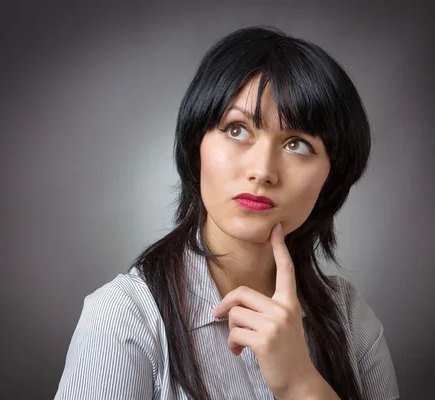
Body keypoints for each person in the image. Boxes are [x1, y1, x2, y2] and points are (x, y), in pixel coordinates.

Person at [54, 26, 399, 400]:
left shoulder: (349, 318)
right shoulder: (124, 318)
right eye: (237, 130)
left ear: (332, 177)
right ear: (195, 144)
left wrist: (301, 384)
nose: (262, 170)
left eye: (297, 144)